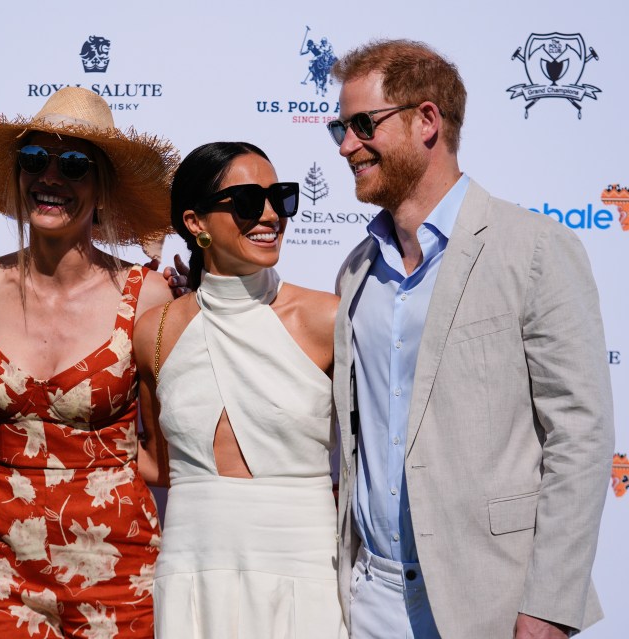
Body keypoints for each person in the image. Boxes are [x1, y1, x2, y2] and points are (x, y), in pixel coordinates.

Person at [327, 39, 613, 638]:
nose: (347, 145)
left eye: (361, 124)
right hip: (369, 601)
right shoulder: (356, 271)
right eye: (339, 128)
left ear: (427, 120)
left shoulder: (533, 248)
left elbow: (580, 439)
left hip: (491, 602)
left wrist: (550, 607)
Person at [0, 87, 178, 638]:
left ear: (102, 188)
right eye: (33, 161)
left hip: (118, 564)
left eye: (73, 165)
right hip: (0, 564)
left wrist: (81, 454)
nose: (50, 177)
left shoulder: (146, 295)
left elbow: (163, 457)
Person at [133, 141, 346, 638]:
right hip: (192, 566)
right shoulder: (155, 332)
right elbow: (158, 464)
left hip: (306, 567)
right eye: (250, 201)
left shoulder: (327, 319)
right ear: (196, 222)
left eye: (281, 197)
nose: (271, 214)